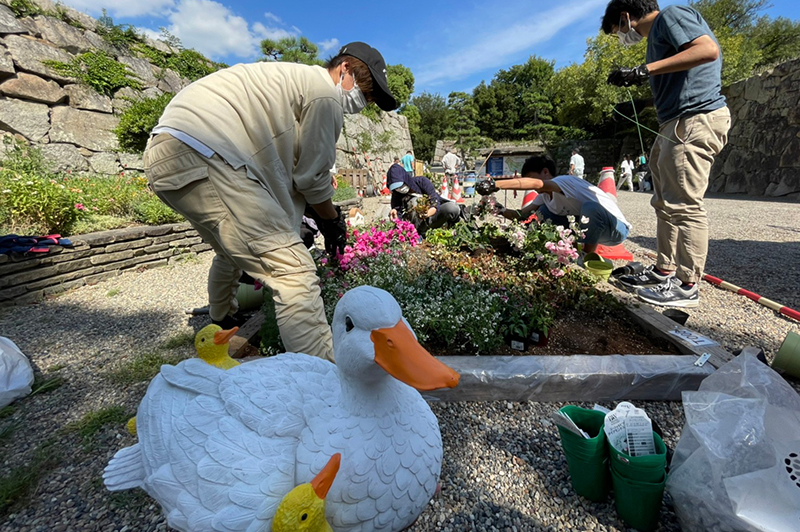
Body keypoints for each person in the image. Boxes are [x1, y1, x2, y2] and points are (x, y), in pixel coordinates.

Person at [143, 41, 397, 362]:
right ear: (344, 68)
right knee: (294, 273)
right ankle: (328, 383)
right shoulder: (324, 93)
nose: (366, 100)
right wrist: (332, 221)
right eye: (366, 89)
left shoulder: (290, 81)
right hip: (206, 151)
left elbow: (290, 181)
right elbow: (311, 179)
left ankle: (223, 317)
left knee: (230, 250)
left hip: (169, 151)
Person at [603, 0, 731, 308]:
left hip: (694, 119)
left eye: (616, 31)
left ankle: (687, 286)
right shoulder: (659, 37)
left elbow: (707, 50)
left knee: (684, 204)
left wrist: (642, 71)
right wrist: (644, 102)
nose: (622, 38)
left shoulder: (671, 16)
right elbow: (678, 80)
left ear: (625, 17)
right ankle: (663, 272)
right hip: (673, 122)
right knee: (664, 202)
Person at [476, 155, 630, 255]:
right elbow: (522, 215)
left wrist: (495, 184)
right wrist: (498, 208)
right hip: (595, 231)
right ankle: (568, 250)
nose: (528, 185)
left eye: (528, 178)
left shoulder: (564, 181)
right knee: (543, 212)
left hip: (615, 229)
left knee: (590, 208)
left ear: (545, 172)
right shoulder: (544, 196)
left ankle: (587, 256)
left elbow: (536, 183)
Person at [387, 157, 460, 236]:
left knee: (452, 207)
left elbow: (435, 201)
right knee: (414, 202)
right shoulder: (396, 194)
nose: (399, 189)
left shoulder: (422, 182)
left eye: (400, 185)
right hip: (417, 225)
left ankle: (449, 226)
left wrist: (427, 213)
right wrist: (395, 215)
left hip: (433, 217)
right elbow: (399, 214)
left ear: (405, 179)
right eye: (396, 188)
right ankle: (420, 233)